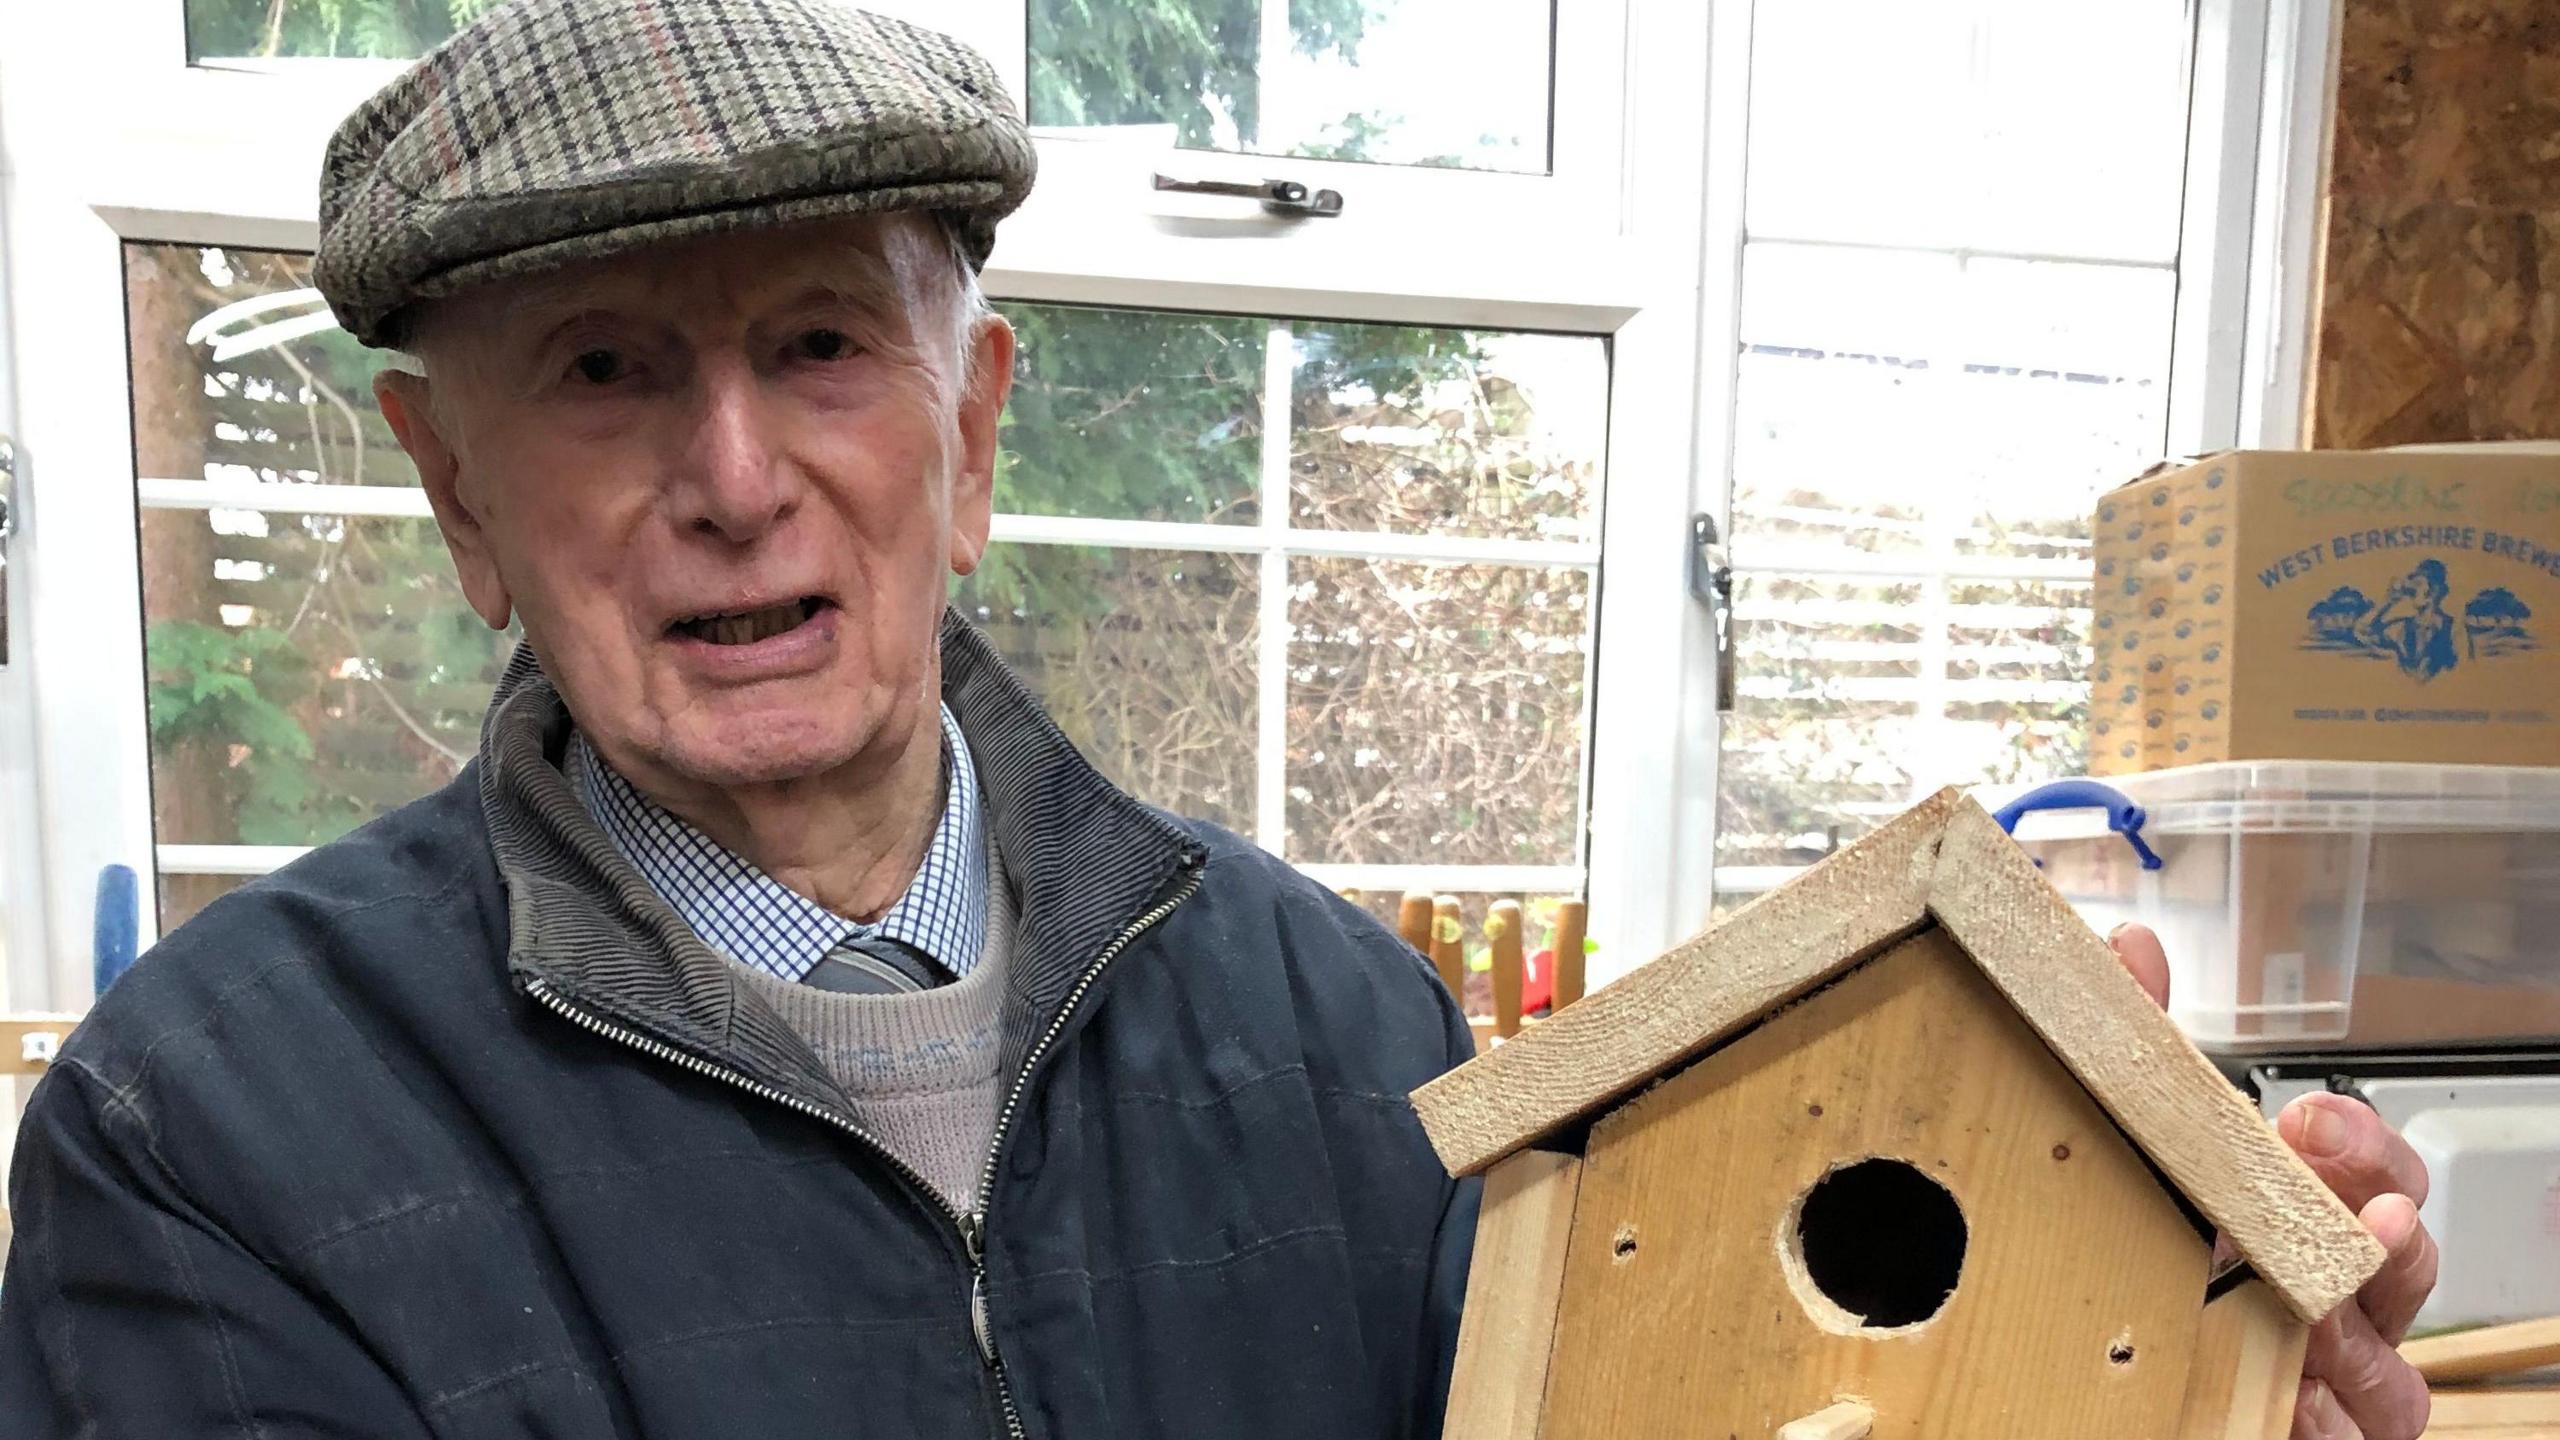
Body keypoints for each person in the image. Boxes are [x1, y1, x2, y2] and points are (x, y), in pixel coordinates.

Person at [0, 4, 2435, 1437]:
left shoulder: (1343, 1032)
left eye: (822, 346)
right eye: (609, 372)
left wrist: (2136, 1365)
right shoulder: (204, 1134)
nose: (734, 483)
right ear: (457, 494)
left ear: (969, 438)